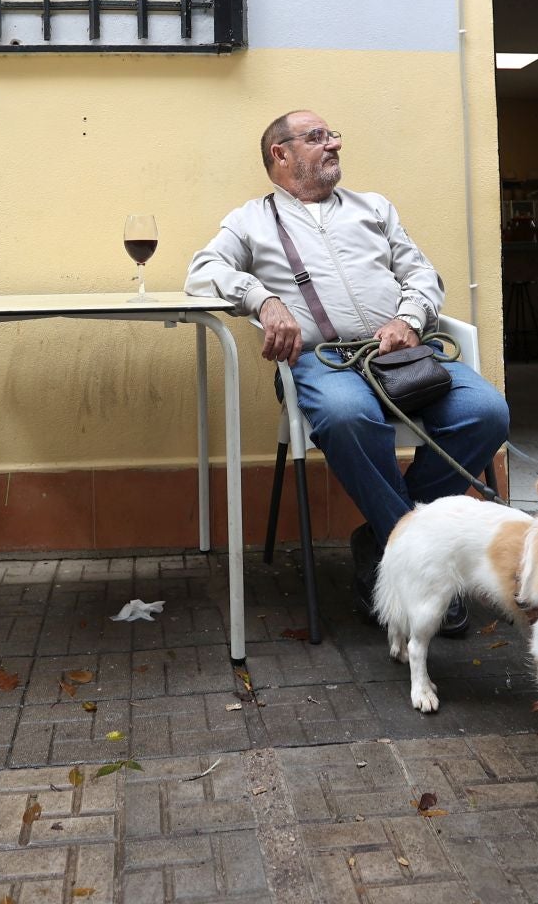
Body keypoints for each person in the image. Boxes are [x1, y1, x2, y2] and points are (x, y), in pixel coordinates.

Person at [187, 110, 511, 634]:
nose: (334, 143)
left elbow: (422, 273)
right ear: (281, 154)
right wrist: (263, 299)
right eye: (317, 137)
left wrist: (408, 319)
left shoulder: (373, 207)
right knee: (347, 416)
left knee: (486, 412)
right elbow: (202, 271)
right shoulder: (250, 219)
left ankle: (383, 538)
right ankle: (421, 557)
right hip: (324, 361)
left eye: (334, 134)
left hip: (404, 353)